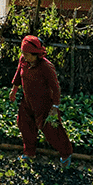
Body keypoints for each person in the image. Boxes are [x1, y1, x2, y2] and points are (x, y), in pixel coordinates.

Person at [9, 34, 73, 168]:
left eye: (27, 54)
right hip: (28, 101)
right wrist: (14, 90)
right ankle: (29, 153)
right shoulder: (23, 61)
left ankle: (66, 155)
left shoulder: (46, 67)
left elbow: (55, 88)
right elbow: (18, 74)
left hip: (45, 105)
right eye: (23, 53)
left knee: (52, 131)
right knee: (25, 126)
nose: (25, 56)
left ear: (36, 54)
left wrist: (55, 107)